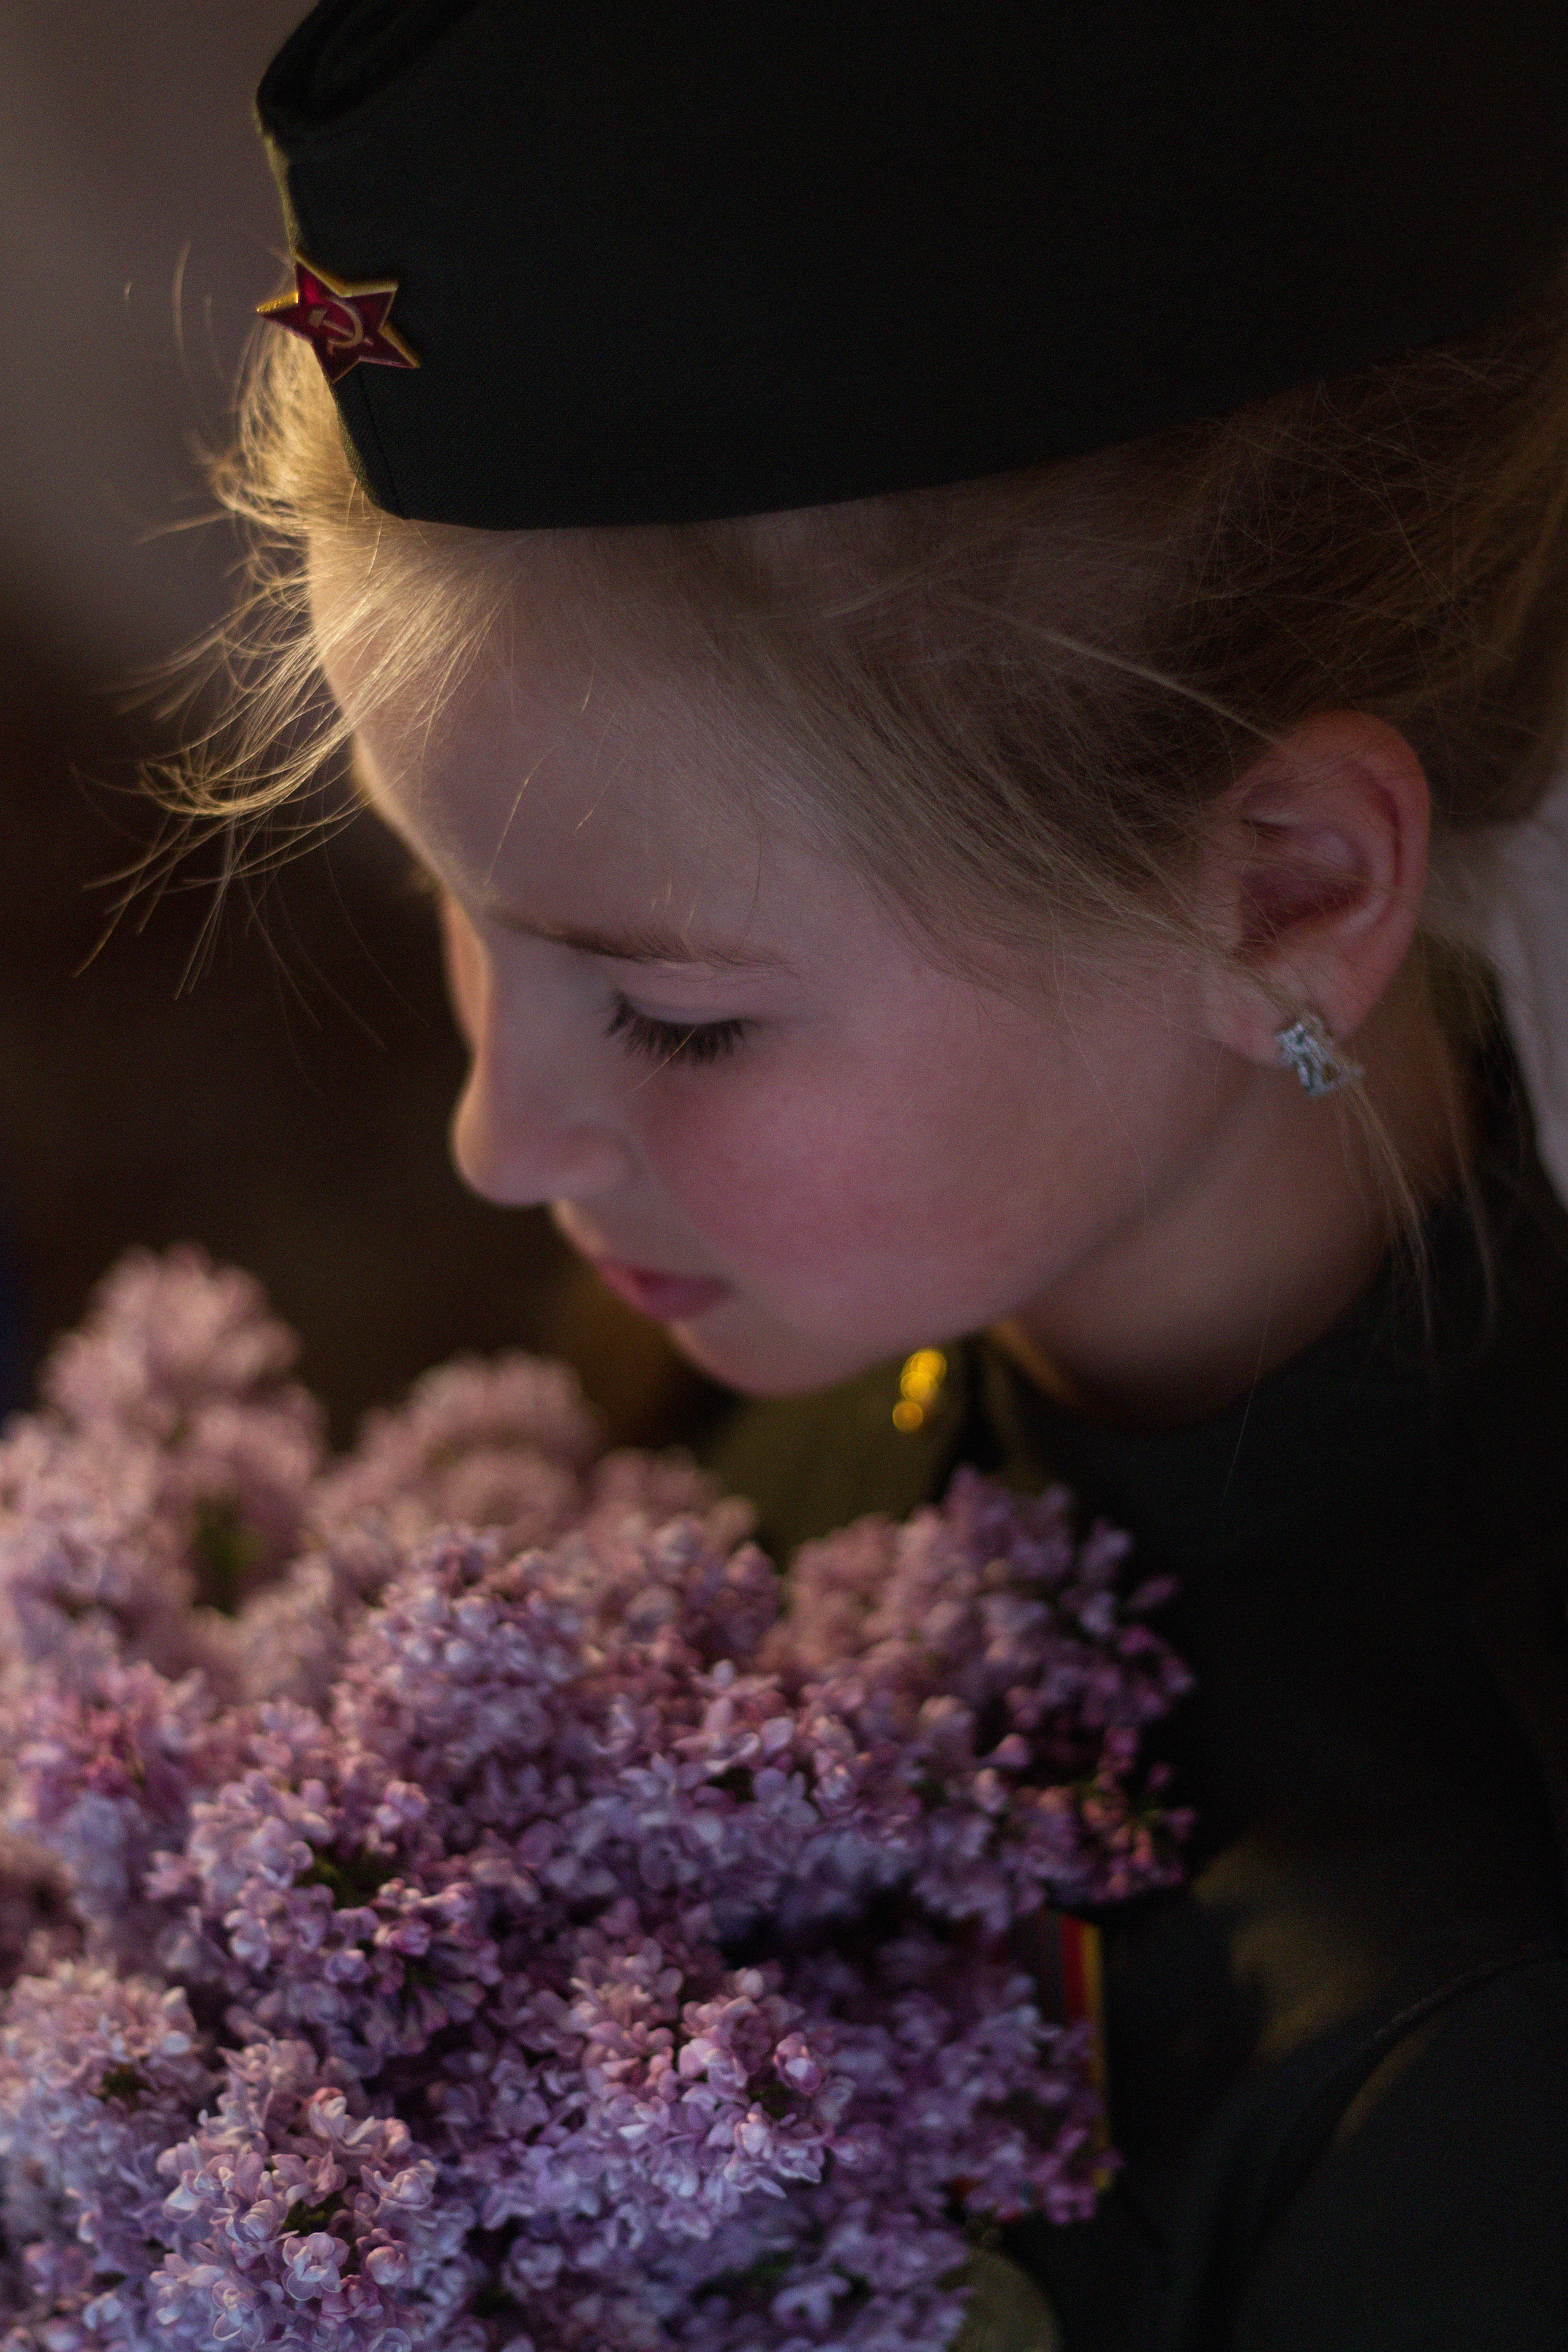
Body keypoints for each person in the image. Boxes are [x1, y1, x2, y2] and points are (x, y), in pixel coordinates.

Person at [193, 1, 1568, 2342]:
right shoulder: (738, 1349)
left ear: (1283, 893)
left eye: (679, 1011)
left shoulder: (1455, 2046)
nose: (495, 1142)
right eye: (454, 904)